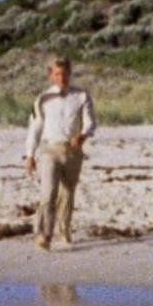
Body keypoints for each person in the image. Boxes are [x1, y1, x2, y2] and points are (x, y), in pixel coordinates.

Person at [23, 56, 97, 250]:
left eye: (64, 74)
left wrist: (82, 136)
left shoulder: (81, 96)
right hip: (50, 150)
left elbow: (90, 123)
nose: (61, 78)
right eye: (57, 74)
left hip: (73, 151)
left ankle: (64, 233)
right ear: (51, 76)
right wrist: (30, 155)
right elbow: (35, 128)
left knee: (67, 193)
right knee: (48, 193)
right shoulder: (43, 98)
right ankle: (44, 235)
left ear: (69, 73)